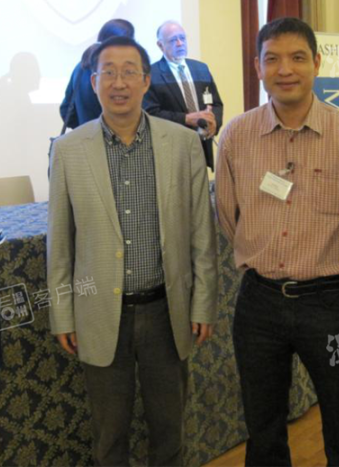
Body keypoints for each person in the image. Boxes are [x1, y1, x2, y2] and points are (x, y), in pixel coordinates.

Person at [216, 17, 339, 466]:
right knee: (262, 425)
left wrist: (331, 267)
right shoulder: (236, 135)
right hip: (258, 303)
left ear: (316, 63)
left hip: (328, 303)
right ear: (258, 67)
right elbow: (229, 218)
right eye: (272, 59)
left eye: (297, 58)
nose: (285, 69)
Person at [47, 36, 218, 466]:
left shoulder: (182, 144)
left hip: (166, 311)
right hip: (100, 314)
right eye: (108, 72)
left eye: (129, 72)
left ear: (146, 81)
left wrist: (203, 304)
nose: (118, 82)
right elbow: (60, 244)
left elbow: (202, 234)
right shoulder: (68, 150)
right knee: (109, 437)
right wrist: (63, 313)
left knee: (170, 432)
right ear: (93, 82)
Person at [142, 21, 223, 170]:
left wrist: (214, 123)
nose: (180, 43)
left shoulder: (201, 68)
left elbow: (216, 104)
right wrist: (186, 119)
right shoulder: (151, 74)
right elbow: (151, 114)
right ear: (160, 45)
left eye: (182, 38)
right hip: (171, 151)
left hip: (202, 147)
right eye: (173, 40)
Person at [59, 19, 135, 130]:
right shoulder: (118, 71)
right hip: (114, 137)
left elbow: (66, 111)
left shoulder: (80, 67)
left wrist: (84, 128)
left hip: (85, 137)